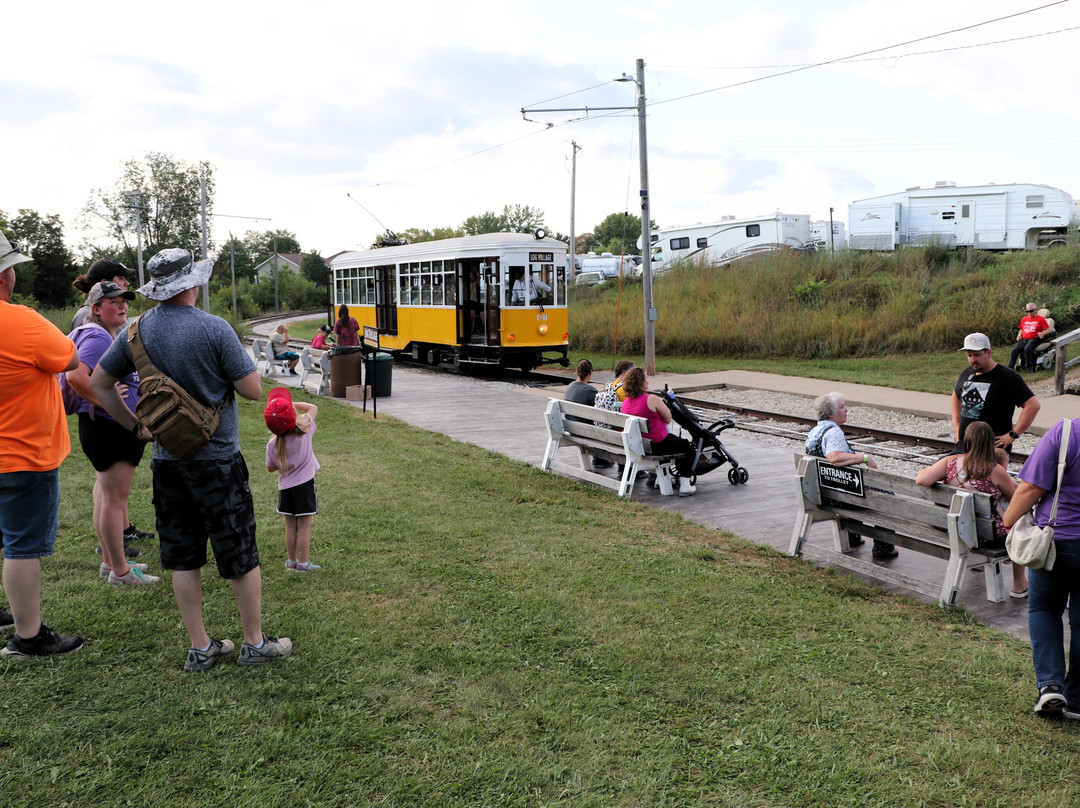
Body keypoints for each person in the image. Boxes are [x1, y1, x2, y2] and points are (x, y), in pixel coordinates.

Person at [91, 247, 292, 671]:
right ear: (192, 284)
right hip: (218, 460)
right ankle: (254, 643)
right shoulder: (214, 328)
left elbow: (100, 383)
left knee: (182, 554)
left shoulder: (135, 331)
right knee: (238, 550)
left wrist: (134, 426)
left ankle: (201, 647)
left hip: (167, 459)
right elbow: (253, 391)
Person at [0, 233, 84, 657]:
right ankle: (28, 636)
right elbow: (69, 360)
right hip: (22, 457)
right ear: (4, 275)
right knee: (21, 546)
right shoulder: (23, 321)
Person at [65, 282, 158, 585]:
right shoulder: (96, 335)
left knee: (108, 497)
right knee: (115, 500)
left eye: (123, 301)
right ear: (95, 309)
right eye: (113, 302)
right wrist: (109, 403)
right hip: (109, 428)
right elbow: (76, 376)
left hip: (103, 426)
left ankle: (111, 561)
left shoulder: (98, 333)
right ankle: (120, 571)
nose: (122, 305)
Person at [1002, 419, 1080, 718]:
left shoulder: (1065, 431)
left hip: (1056, 542)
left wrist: (1009, 521)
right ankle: (1076, 700)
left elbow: (1031, 487)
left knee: (1045, 609)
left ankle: (1050, 687)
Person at [916, 421, 1026, 597]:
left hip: (950, 528)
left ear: (967, 441)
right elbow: (1018, 501)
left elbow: (921, 480)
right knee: (1020, 526)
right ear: (991, 443)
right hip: (986, 536)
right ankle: (1019, 585)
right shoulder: (995, 470)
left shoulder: (949, 462)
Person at [805, 392, 898, 559]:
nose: (846, 410)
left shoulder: (816, 431)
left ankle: (853, 536)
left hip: (824, 492)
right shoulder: (834, 432)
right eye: (842, 407)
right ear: (830, 413)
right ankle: (883, 547)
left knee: (852, 486)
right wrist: (864, 458)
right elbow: (834, 457)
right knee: (886, 495)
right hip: (837, 496)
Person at [264, 388, 322, 572]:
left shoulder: (272, 444)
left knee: (290, 526)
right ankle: (303, 564)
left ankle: (291, 562)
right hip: (305, 487)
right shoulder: (305, 427)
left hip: (285, 489)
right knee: (304, 526)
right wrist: (291, 405)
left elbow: (271, 468)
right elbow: (313, 407)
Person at [953, 332, 1040, 453]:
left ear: (988, 353)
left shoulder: (1007, 376)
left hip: (991, 450)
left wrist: (1012, 435)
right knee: (935, 471)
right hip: (964, 446)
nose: (973, 360)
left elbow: (1033, 405)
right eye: (969, 355)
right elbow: (956, 395)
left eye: (977, 355)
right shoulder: (967, 372)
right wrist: (956, 426)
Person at [620, 367, 699, 497]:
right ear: (641, 382)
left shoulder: (626, 402)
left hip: (640, 445)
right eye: (646, 377)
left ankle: (660, 479)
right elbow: (668, 419)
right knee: (686, 447)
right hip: (657, 444)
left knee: (675, 442)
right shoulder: (651, 399)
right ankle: (685, 484)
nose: (648, 380)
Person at [564, 359, 611, 469]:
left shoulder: (569, 387)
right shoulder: (590, 391)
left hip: (571, 428)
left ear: (577, 372)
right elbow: (601, 414)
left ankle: (599, 458)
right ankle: (599, 458)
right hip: (585, 431)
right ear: (590, 373)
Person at [71, 258, 135, 331]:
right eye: (121, 278)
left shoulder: (108, 313)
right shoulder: (88, 316)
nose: (127, 283)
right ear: (105, 282)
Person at [1008, 303, 1052, 372]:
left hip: (1034, 339)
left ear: (1035, 310)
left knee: (1027, 349)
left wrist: (1043, 333)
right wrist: (1019, 335)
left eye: (1031, 311)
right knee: (1014, 350)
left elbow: (1048, 329)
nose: (1029, 313)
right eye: (1027, 311)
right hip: (1024, 339)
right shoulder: (1024, 319)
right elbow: (1021, 329)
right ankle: (1010, 368)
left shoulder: (1041, 319)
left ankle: (1029, 368)